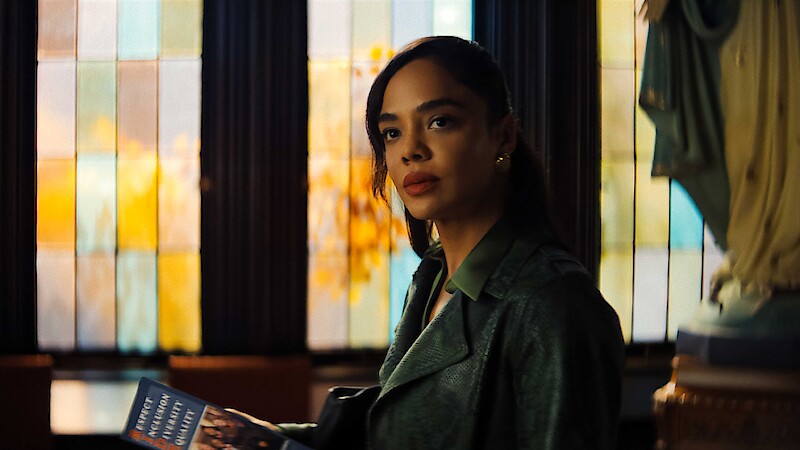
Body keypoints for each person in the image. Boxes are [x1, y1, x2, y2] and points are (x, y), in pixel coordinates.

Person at [251, 36, 624, 450]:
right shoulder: (431, 276)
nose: (410, 150)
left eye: (439, 121)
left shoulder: (554, 305)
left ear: (504, 136)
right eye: (392, 132)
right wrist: (252, 436)